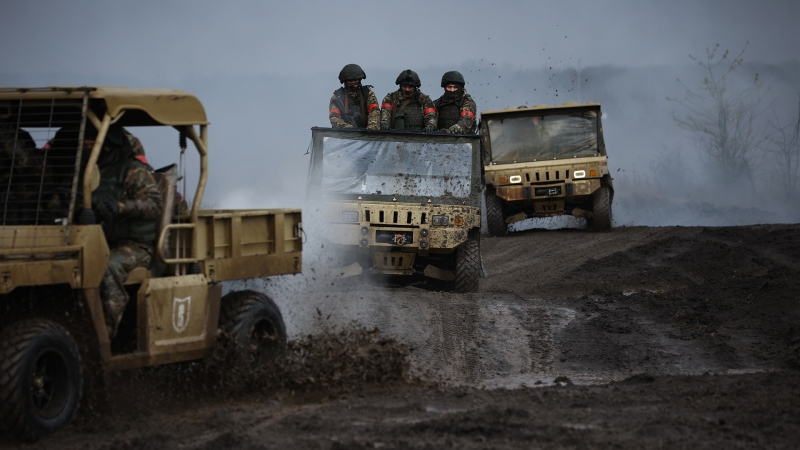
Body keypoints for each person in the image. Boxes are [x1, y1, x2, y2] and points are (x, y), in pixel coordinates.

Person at [86, 124, 163, 339]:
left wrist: (120, 207)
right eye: (86, 145)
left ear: (108, 146)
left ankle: (103, 339)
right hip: (94, 241)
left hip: (133, 245)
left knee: (109, 268)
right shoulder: (85, 173)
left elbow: (154, 204)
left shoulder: (133, 170)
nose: (89, 149)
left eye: (94, 144)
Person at [329, 64, 380, 130]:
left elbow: (374, 111)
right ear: (345, 81)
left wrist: (371, 128)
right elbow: (334, 117)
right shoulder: (337, 97)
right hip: (345, 135)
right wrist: (347, 127)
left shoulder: (368, 94)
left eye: (355, 80)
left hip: (367, 134)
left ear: (359, 80)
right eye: (350, 80)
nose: (353, 83)